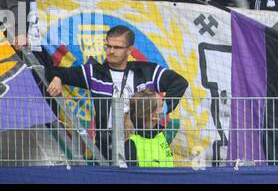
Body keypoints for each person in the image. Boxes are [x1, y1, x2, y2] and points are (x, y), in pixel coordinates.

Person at [45, 25, 188, 158]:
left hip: (143, 143)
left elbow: (179, 83)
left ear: (130, 50)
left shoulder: (147, 71)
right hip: (107, 146)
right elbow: (56, 71)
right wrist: (57, 78)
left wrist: (162, 111)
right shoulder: (95, 73)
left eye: (117, 47)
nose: (111, 51)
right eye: (108, 46)